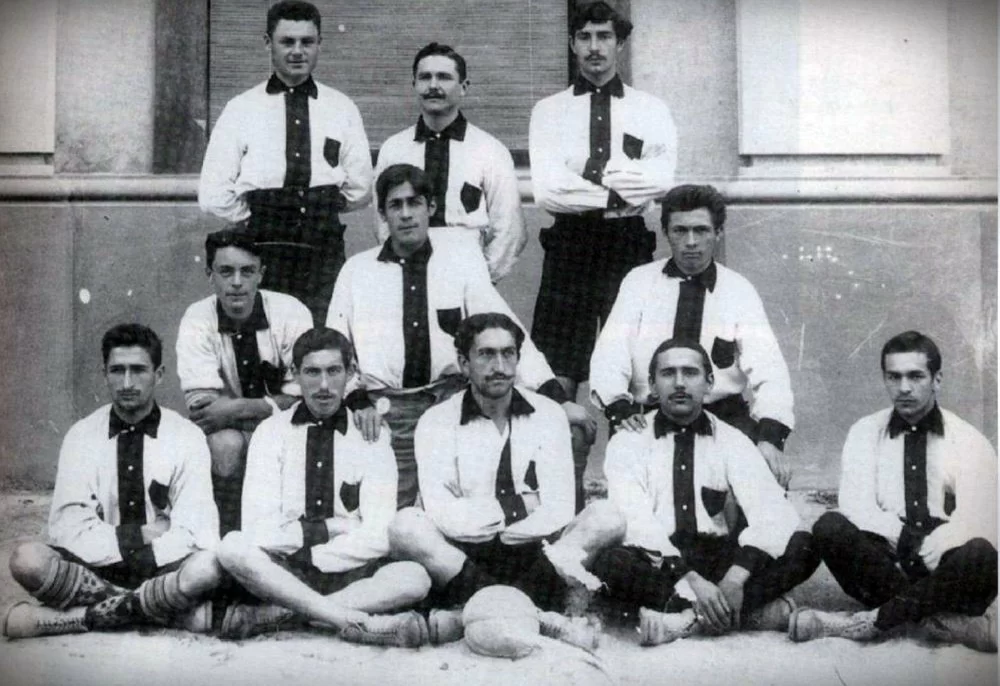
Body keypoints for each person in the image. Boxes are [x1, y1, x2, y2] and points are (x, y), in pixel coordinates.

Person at [326, 164, 596, 510]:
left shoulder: (459, 262)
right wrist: (357, 401)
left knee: (476, 506)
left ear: (431, 207)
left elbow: (506, 329)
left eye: (415, 203)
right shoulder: (357, 272)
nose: (406, 214)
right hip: (388, 412)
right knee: (390, 520)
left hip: (453, 406)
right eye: (396, 205)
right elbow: (334, 348)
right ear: (382, 214)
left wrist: (557, 398)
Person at [388, 313, 626, 645]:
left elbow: (559, 508)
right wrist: (524, 503)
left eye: (508, 353)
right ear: (464, 363)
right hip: (464, 556)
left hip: (538, 554)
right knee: (404, 526)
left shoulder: (548, 414)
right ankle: (537, 616)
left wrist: (482, 510)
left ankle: (467, 614)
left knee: (607, 517)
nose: (499, 366)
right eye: (486, 354)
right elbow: (443, 514)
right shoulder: (436, 421)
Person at [593, 339, 818, 646]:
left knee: (805, 545)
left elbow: (771, 512)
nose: (680, 383)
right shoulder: (628, 441)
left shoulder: (732, 439)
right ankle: (745, 614)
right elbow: (636, 521)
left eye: (691, 372)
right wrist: (690, 580)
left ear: (709, 383)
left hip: (717, 560)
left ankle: (684, 619)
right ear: (653, 386)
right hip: (661, 562)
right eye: (668, 373)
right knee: (611, 561)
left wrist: (735, 578)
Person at [216, 328, 433, 647]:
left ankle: (283, 614)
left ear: (351, 373)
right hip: (284, 570)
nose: (323, 385)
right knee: (233, 546)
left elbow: (378, 534)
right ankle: (349, 620)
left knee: (415, 577)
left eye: (333, 371)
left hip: (348, 570)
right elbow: (258, 529)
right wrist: (331, 529)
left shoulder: (371, 436)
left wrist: (314, 553)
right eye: (312, 372)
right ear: (295, 374)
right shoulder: (270, 433)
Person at [3, 324, 222, 639]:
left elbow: (197, 529)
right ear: (104, 374)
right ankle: (156, 610)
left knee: (208, 566)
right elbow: (68, 528)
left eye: (138, 370)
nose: (127, 383)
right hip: (95, 567)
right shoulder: (81, 435)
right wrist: (142, 534)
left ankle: (86, 616)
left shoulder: (187, 436)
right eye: (117, 371)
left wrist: (140, 548)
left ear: (159, 374)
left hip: (164, 565)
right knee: (27, 560)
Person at [792, 331, 997, 651]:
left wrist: (939, 542)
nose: (904, 388)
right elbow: (855, 506)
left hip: (943, 561)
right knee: (829, 527)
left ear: (937, 379)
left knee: (981, 554)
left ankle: (870, 622)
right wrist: (905, 541)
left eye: (915, 376)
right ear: (885, 379)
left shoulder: (967, 438)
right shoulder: (864, 432)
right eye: (894, 377)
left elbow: (981, 515)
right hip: (888, 561)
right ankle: (940, 622)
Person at [590, 184, 795, 488]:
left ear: (718, 232)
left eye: (701, 230)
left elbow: (770, 369)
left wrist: (770, 436)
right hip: (650, 416)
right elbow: (610, 354)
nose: (691, 242)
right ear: (666, 232)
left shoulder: (739, 290)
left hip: (721, 417)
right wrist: (618, 406)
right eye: (680, 230)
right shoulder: (638, 283)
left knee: (762, 476)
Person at [529, 0, 677, 404]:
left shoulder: (651, 110)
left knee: (634, 366)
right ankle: (562, 446)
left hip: (626, 243)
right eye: (585, 37)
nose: (594, 47)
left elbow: (661, 181)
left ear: (620, 44)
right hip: (569, 246)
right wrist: (621, 189)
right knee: (558, 370)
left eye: (604, 37)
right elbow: (549, 191)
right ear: (572, 43)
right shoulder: (548, 112)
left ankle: (627, 448)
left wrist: (584, 170)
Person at [198, 0, 373, 323]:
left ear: (319, 44)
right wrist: (262, 214)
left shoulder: (341, 108)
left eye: (307, 42)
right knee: (268, 330)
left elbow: (361, 188)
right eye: (287, 42)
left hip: (323, 246)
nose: (297, 51)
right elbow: (213, 192)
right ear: (268, 43)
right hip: (265, 243)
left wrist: (319, 208)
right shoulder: (241, 109)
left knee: (324, 329)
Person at [176, 228, 312, 536]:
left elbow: (307, 395)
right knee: (224, 446)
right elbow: (204, 409)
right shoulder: (196, 318)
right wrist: (268, 406)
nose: (237, 282)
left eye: (247, 271)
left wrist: (234, 408)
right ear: (210, 275)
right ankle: (227, 533)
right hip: (233, 432)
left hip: (288, 426)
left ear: (261, 274)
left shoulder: (291, 312)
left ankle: (287, 534)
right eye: (226, 271)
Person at [374, 42, 526, 283]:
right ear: (414, 85)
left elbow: (509, 230)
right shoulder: (393, 149)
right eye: (425, 77)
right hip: (406, 275)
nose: (433, 86)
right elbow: (383, 222)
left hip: (468, 275)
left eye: (444, 77)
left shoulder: (490, 150)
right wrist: (400, 273)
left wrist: (481, 281)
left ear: (463, 87)